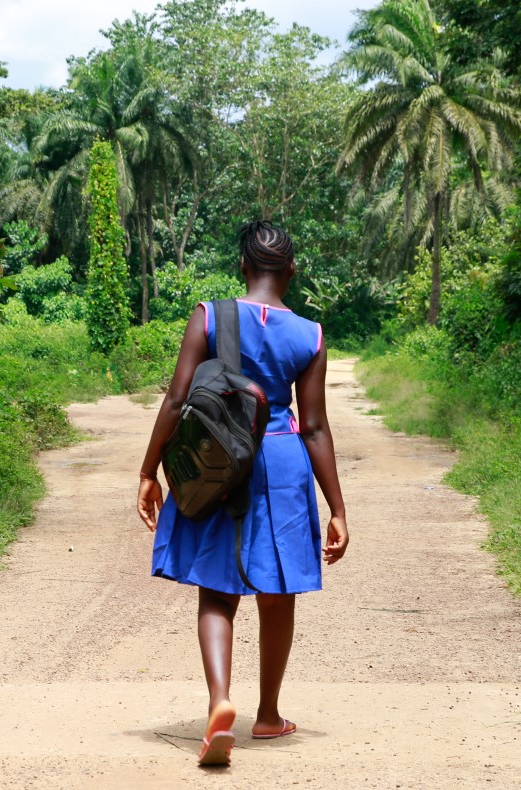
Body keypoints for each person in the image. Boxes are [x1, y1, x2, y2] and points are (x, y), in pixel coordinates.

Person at [136, 220, 349, 767]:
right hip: (280, 461)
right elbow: (314, 427)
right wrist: (337, 508)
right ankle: (269, 715)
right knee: (278, 593)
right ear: (292, 270)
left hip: (219, 460)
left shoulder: (210, 315)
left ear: (243, 267)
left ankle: (219, 702)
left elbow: (176, 400)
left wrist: (149, 470)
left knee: (217, 590)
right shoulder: (310, 334)